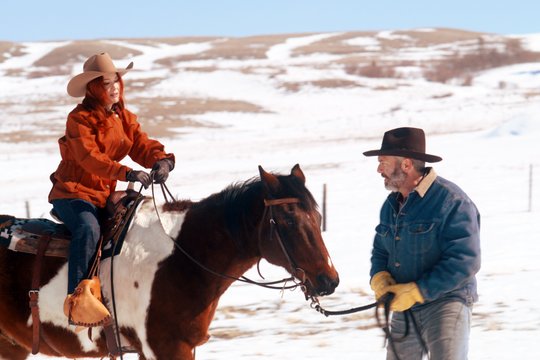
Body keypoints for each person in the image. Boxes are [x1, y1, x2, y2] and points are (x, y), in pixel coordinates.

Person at [48, 52, 175, 325]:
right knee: (89, 228)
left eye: (116, 80)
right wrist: (126, 172)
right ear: (94, 88)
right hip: (73, 192)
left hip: (103, 193)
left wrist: (162, 160)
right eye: (106, 83)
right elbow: (89, 159)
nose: (114, 87)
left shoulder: (122, 116)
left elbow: (141, 143)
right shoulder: (79, 119)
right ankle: (78, 302)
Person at [363, 127, 481, 360]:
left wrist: (418, 291)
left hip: (447, 302)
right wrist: (380, 278)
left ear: (406, 165)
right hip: (404, 306)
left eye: (383, 162)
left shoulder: (452, 201)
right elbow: (380, 251)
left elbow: (465, 261)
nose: (378, 169)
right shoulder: (390, 205)